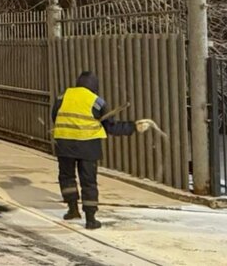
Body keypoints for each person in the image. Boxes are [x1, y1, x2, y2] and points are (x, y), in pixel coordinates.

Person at [51, 71, 152, 229]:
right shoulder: (97, 102)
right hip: (88, 147)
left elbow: (54, 117)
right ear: (94, 87)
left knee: (67, 177)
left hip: (65, 145)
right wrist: (134, 126)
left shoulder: (62, 97)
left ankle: (72, 210)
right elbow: (111, 127)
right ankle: (90, 219)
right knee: (88, 182)